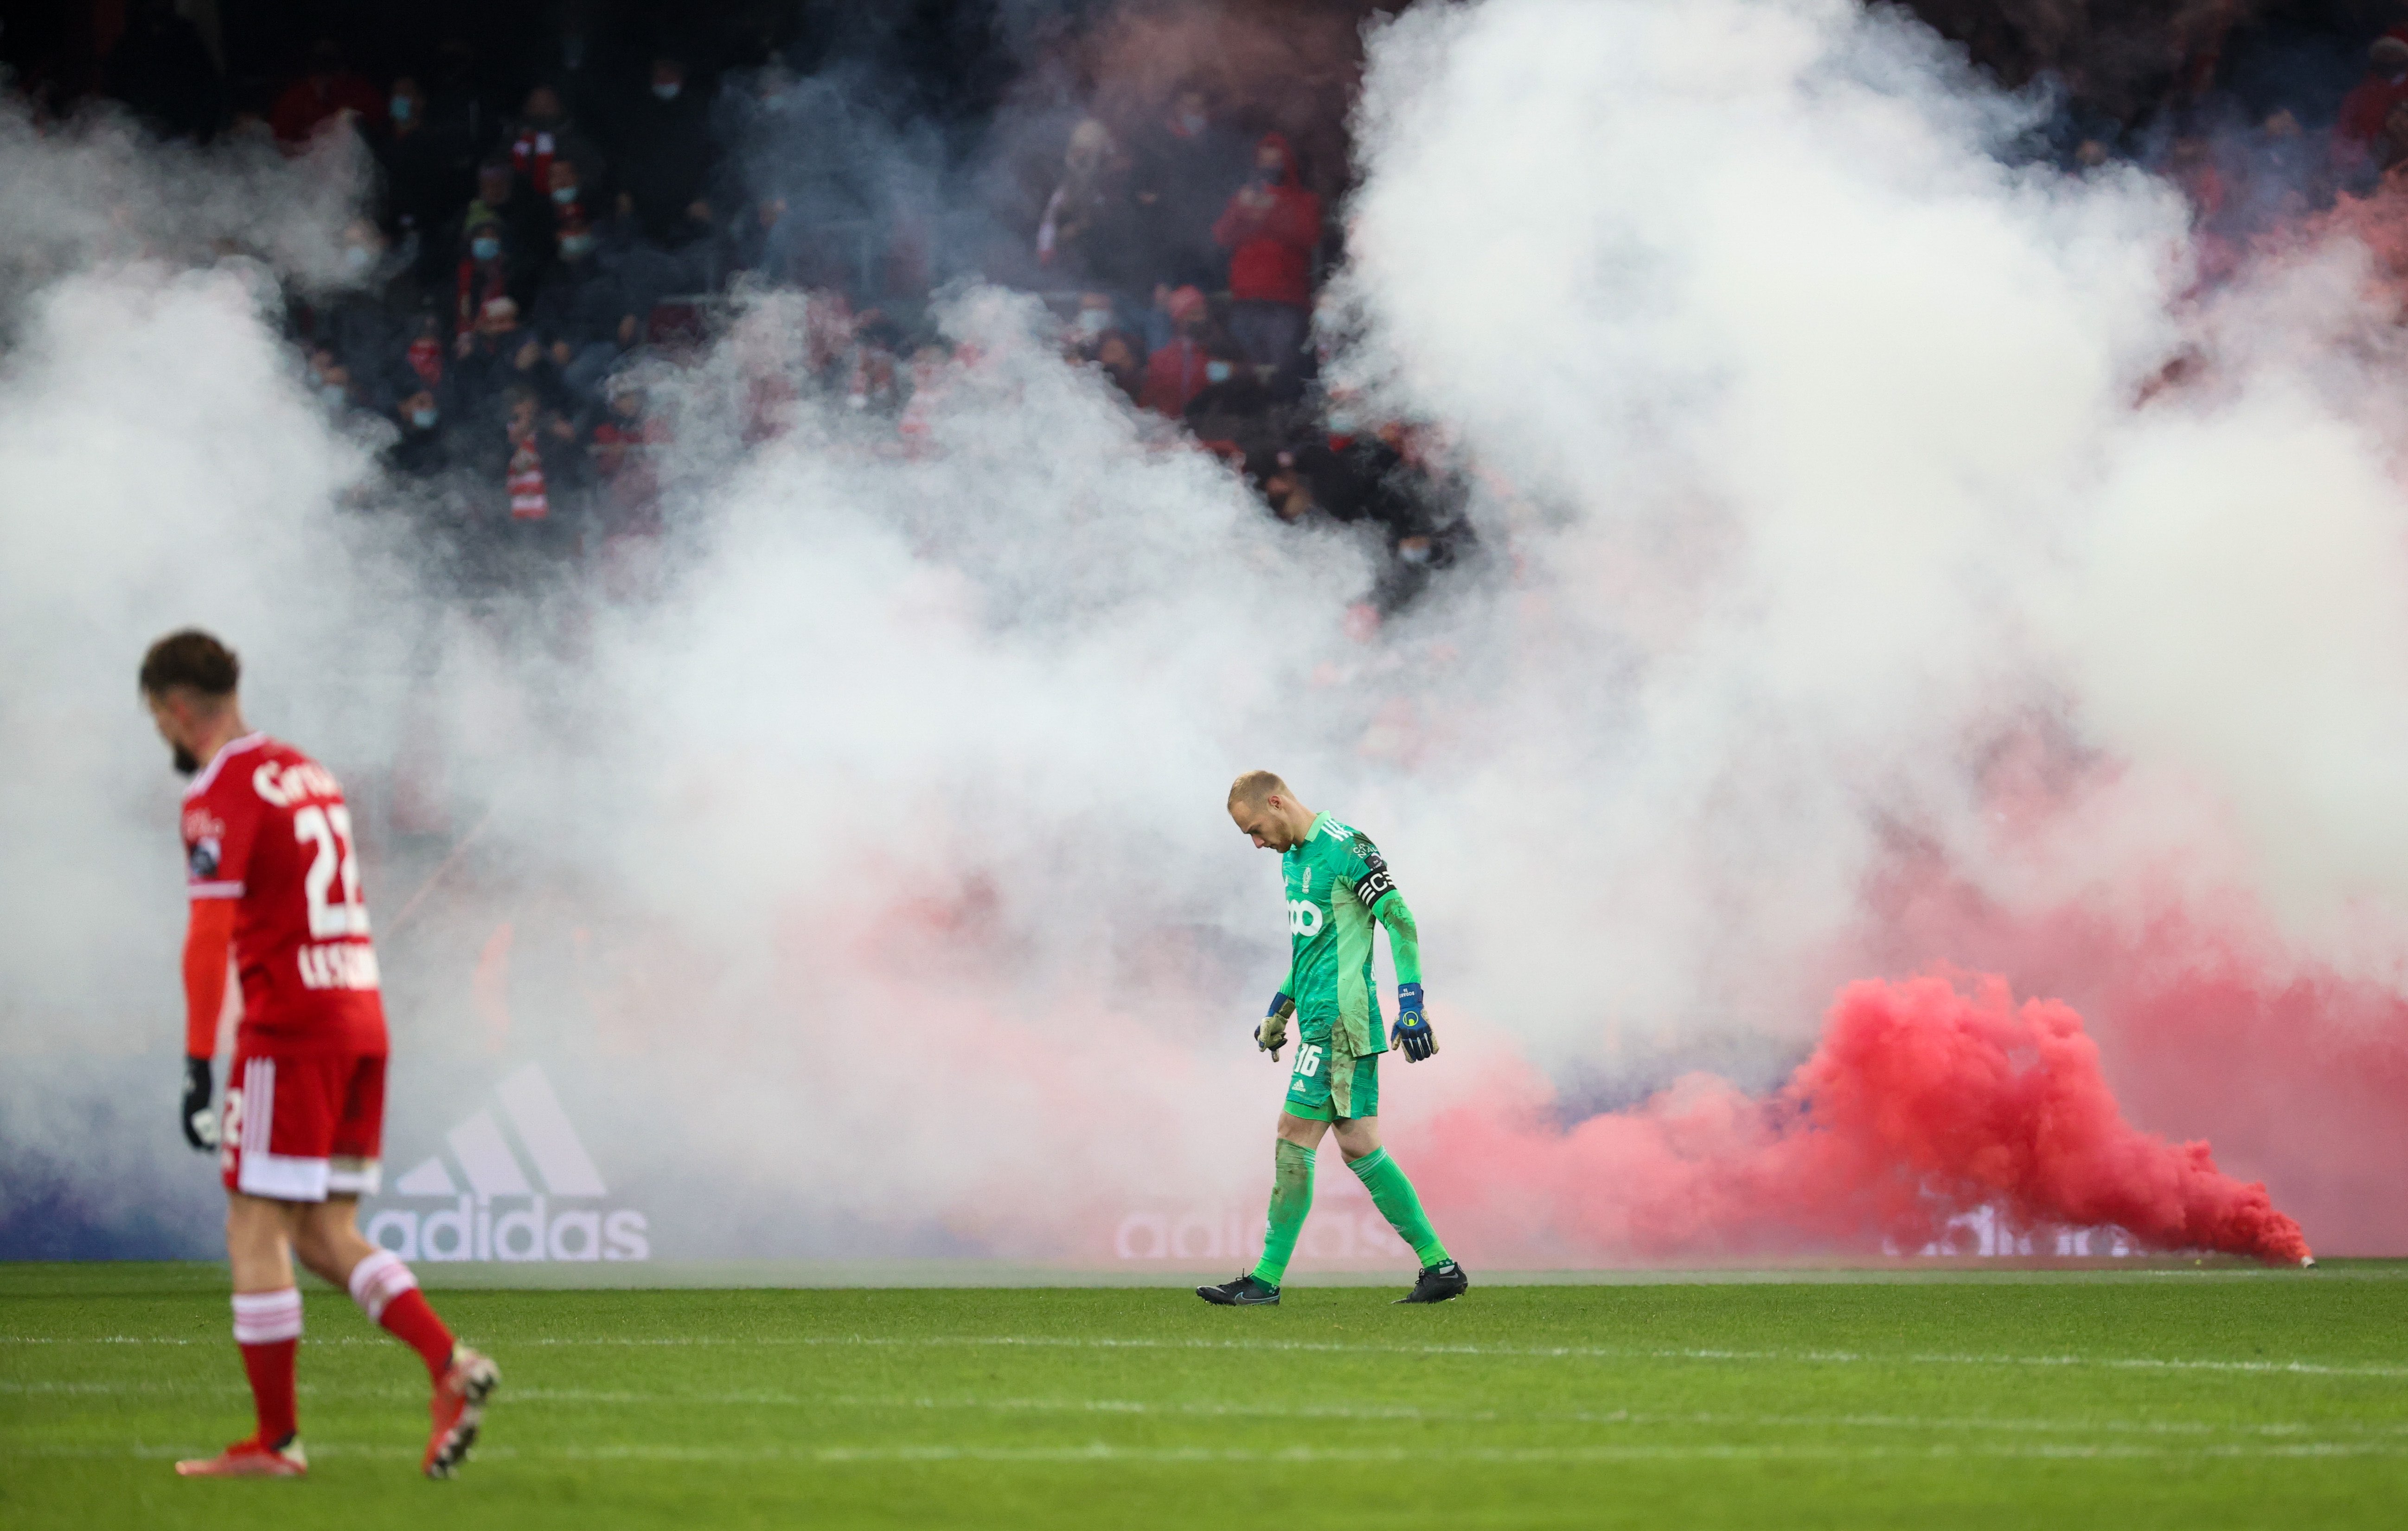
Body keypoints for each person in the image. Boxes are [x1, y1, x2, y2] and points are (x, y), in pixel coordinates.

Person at [141, 630, 498, 1478]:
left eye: (155, 715)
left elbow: (210, 934)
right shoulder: (308, 771)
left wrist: (199, 1064)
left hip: (291, 1029)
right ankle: (450, 1365)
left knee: (253, 1225)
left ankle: (276, 1443)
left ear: (175, 708)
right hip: (360, 1013)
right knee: (324, 1233)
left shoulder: (218, 792)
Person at [1201, 772, 1467, 1308]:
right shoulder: (1291, 859)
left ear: (1276, 802)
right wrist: (1279, 1010)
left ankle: (1265, 1280)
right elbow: (1309, 950)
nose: (1256, 843)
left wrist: (1411, 1002)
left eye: (1255, 828)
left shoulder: (1347, 847)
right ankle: (1440, 1265)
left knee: (1292, 1136)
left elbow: (1399, 918)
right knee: (1357, 1144)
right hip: (1318, 1019)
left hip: (1340, 1024)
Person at [1212, 133, 1322, 366]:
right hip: (1246, 297)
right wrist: (1239, 211)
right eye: (1264, 161)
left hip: (1285, 301)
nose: (1269, 167)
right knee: (1247, 370)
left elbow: (1309, 235)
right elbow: (1222, 236)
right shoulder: (1245, 198)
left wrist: (1268, 212)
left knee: (1281, 367)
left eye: (1275, 161)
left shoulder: (1303, 201)